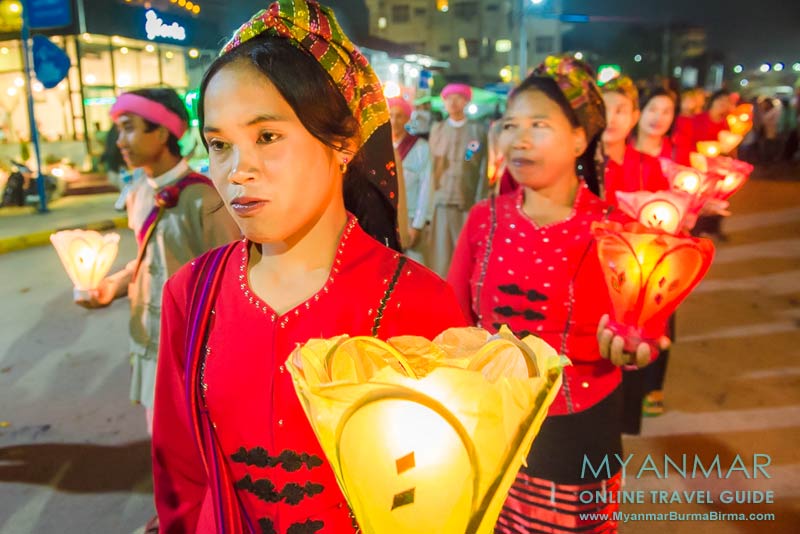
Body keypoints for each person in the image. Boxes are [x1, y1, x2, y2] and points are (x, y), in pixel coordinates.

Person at [151, 2, 467, 532]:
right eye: (219, 145)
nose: (237, 170)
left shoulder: (418, 300)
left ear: (342, 144)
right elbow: (179, 471)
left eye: (267, 137)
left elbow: (445, 492)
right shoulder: (192, 292)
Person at [448, 56, 664, 534]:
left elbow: (644, 328)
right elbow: (452, 322)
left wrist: (633, 345)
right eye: (510, 125)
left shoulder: (616, 231)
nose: (520, 138)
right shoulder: (483, 219)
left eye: (539, 125)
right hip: (491, 425)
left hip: (578, 430)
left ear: (579, 138)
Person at [76, 88, 239, 437]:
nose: (120, 141)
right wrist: (111, 288)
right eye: (119, 130)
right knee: (163, 445)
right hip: (152, 341)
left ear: (162, 132)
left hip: (193, 350)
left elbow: (232, 282)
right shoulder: (138, 193)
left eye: (129, 128)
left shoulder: (204, 198)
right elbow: (148, 261)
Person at [428, 82, 488, 277]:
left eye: (458, 98)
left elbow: (482, 168)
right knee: (439, 256)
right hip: (440, 201)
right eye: (449, 99)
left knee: (465, 257)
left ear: (466, 102)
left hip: (466, 202)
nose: (453, 103)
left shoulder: (477, 131)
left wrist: (480, 202)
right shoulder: (436, 129)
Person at [600, 75, 668, 207]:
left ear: (634, 117)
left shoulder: (649, 166)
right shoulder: (578, 167)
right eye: (603, 110)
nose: (610, 119)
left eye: (620, 111)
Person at [389, 96, 432, 264]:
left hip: (410, 217)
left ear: (407, 118)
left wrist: (417, 224)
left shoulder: (420, 147)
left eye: (399, 116)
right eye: (391, 115)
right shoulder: (381, 146)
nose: (394, 120)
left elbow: (426, 186)